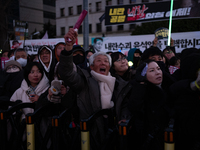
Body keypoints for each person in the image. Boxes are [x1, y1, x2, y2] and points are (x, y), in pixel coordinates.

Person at [58, 28, 132, 150]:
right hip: (90, 135)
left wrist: (124, 119)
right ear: (91, 66)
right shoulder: (84, 81)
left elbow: (125, 105)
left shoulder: (120, 84)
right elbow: (66, 73)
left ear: (109, 66)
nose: (103, 63)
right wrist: (68, 49)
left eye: (105, 61)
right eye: (99, 61)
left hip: (115, 135)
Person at [128, 60, 170, 150]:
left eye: (158, 69)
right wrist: (141, 84)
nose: (158, 72)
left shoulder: (169, 87)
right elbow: (135, 109)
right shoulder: (140, 92)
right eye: (152, 70)